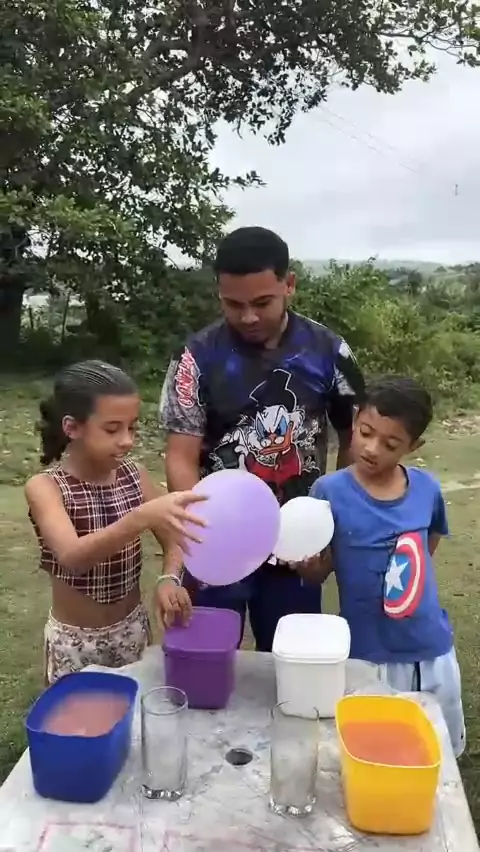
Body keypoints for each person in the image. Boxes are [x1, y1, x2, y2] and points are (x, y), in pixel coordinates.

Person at [157, 226, 365, 651]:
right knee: (207, 660)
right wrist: (198, 535)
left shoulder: (328, 352)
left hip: (296, 545)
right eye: (233, 304)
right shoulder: (196, 357)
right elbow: (181, 456)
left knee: (291, 662)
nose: (248, 317)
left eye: (262, 302)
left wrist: (327, 521)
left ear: (290, 284)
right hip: (219, 543)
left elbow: (355, 439)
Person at [309, 375, 465, 757]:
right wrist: (305, 563)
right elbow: (318, 572)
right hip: (367, 653)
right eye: (365, 432)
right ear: (355, 419)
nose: (372, 448)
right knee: (375, 751)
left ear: (413, 446)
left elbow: (425, 548)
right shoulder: (328, 492)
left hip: (429, 647)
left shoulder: (427, 489)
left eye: (390, 444)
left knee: (433, 751)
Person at [25, 360, 205, 684]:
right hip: (76, 643)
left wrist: (169, 578)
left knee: (133, 711)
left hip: (132, 632)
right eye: (112, 429)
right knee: (80, 715)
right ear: (72, 428)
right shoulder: (46, 487)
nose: (127, 441)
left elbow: (175, 538)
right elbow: (73, 557)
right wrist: (140, 517)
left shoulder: (135, 475)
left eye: (131, 427)